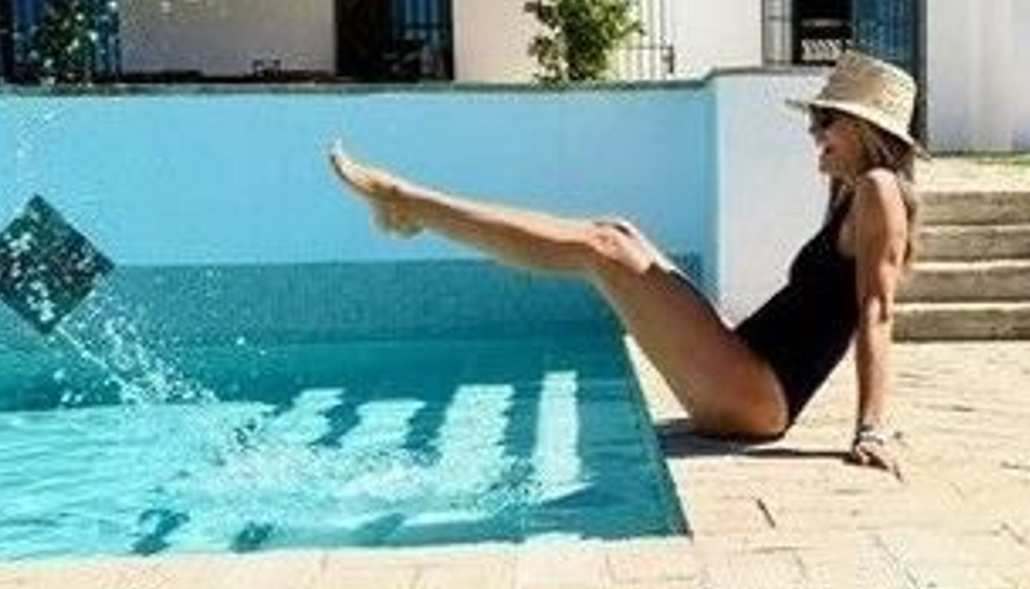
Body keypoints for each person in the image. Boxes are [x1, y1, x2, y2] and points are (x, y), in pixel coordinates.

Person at [328, 50, 921, 474]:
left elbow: (877, 311)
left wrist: (871, 427)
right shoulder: (857, 194)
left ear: (865, 128)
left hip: (755, 393)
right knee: (618, 234)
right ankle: (410, 208)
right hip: (748, 370)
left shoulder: (878, 189)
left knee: (603, 247)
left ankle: (410, 204)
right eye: (814, 120)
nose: (814, 132)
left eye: (825, 120)